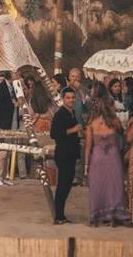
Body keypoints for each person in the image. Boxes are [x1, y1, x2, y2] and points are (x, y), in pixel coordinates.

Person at [84, 84, 129, 226]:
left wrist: (86, 164)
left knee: (98, 186)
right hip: (113, 156)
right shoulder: (115, 122)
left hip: (97, 157)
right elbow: (124, 136)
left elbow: (88, 146)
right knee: (114, 185)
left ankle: (97, 215)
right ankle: (113, 216)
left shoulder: (91, 123)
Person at [51, 87, 81, 224]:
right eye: (68, 98)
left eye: (73, 98)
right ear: (63, 99)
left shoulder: (72, 113)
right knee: (63, 185)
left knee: (67, 184)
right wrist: (73, 130)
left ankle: (61, 214)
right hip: (63, 154)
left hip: (71, 153)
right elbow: (54, 134)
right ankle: (58, 216)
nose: (71, 100)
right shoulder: (60, 114)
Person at [0, 74, 16, 186]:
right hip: (2, 122)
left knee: (7, 151)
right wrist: (11, 105)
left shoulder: (13, 87)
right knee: (1, 150)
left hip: (10, 121)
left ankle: (4, 175)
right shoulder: (1, 87)